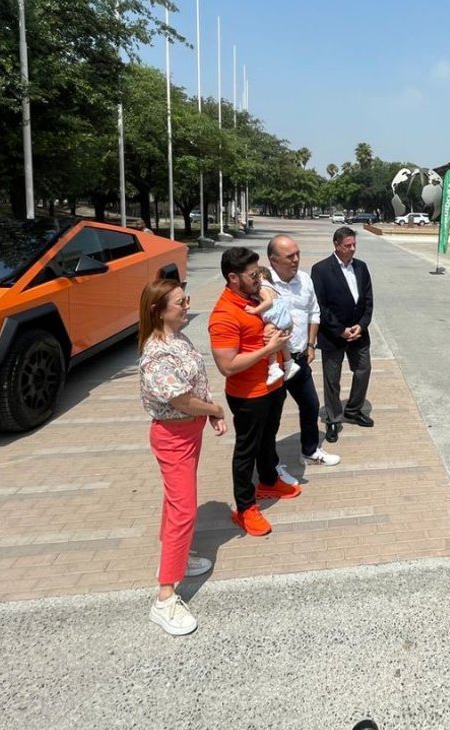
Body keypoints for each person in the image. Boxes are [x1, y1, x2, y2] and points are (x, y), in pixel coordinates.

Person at [138, 279, 228, 636]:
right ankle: (164, 597)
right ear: (158, 310)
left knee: (176, 503)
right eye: (180, 302)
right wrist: (215, 409)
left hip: (188, 432)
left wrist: (209, 413)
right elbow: (180, 399)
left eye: (186, 299)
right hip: (173, 436)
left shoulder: (179, 339)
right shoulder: (156, 354)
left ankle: (177, 556)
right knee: (184, 510)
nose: (187, 305)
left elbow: (195, 387)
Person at [209, 247, 300, 538]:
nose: (259, 278)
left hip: (273, 386)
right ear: (233, 278)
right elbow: (227, 366)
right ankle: (245, 506)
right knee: (246, 450)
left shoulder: (255, 298)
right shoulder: (224, 314)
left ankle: (269, 481)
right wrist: (269, 349)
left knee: (268, 438)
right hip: (248, 395)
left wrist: (281, 336)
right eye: (252, 275)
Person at [265, 235, 341, 477]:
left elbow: (313, 312)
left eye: (297, 254)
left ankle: (309, 450)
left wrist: (310, 344)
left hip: (298, 358)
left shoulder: (305, 279)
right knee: (272, 415)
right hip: (272, 363)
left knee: (310, 405)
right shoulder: (263, 284)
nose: (296, 260)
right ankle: (269, 464)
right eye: (290, 256)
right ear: (273, 260)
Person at [311, 226, 374, 444]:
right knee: (332, 379)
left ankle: (354, 410)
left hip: (359, 333)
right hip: (333, 335)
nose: (353, 249)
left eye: (354, 244)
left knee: (363, 370)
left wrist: (361, 325)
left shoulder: (361, 267)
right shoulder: (321, 270)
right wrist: (340, 330)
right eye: (348, 245)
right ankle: (333, 418)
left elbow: (368, 300)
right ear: (337, 245)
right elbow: (320, 305)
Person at [243, 269, 301, 386]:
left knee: (270, 338)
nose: (255, 279)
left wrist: (254, 310)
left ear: (262, 276)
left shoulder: (262, 288)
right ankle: (289, 363)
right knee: (281, 341)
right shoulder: (272, 287)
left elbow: (268, 302)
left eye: (256, 276)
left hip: (276, 318)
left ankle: (273, 367)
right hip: (284, 318)